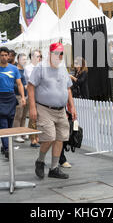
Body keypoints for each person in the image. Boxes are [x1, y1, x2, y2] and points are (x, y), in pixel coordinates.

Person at [29, 42, 77, 179]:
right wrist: (32, 107)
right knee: (49, 137)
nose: (60, 56)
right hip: (44, 108)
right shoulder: (41, 67)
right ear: (50, 54)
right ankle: (40, 161)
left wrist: (72, 106)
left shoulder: (62, 68)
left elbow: (68, 88)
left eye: (62, 53)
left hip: (61, 110)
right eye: (57, 53)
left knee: (60, 138)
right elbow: (31, 86)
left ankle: (54, 168)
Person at [0, 47, 25, 159]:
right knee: (3, 124)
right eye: (2, 55)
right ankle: (7, 148)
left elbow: (20, 84)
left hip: (10, 97)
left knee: (10, 124)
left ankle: (4, 144)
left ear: (9, 56)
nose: (4, 57)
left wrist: (23, 97)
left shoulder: (14, 69)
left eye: (6, 55)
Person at [24, 50, 41, 148]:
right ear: (33, 57)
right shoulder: (28, 68)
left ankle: (37, 136)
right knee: (33, 118)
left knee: (39, 118)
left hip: (41, 95)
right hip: (32, 95)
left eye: (40, 56)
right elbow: (34, 80)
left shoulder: (41, 67)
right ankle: (33, 138)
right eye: (38, 56)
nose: (40, 58)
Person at [13, 53, 29, 143]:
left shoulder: (25, 70)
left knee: (23, 116)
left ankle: (22, 132)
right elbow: (14, 84)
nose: (25, 61)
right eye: (23, 59)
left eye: (26, 59)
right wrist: (23, 86)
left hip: (26, 95)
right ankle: (17, 134)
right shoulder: (15, 70)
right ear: (18, 60)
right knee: (18, 116)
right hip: (18, 95)